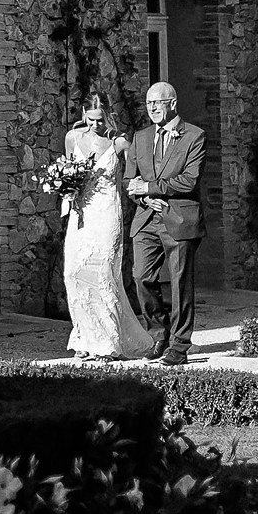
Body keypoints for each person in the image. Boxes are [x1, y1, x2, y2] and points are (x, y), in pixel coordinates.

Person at [60, 90, 148, 360]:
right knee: (73, 272)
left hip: (107, 211)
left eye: (100, 120)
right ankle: (84, 337)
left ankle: (108, 343)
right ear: (83, 114)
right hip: (81, 212)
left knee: (104, 273)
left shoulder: (120, 143)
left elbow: (133, 173)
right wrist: (65, 188)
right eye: (90, 119)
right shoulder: (72, 137)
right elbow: (66, 170)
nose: (95, 125)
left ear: (108, 115)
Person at [126, 81, 207, 366]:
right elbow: (129, 181)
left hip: (179, 218)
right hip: (147, 217)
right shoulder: (141, 137)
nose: (152, 108)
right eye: (148, 103)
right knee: (141, 276)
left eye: (157, 103)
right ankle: (159, 333)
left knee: (180, 283)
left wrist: (149, 188)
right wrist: (146, 200)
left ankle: (180, 345)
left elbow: (189, 179)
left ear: (172, 103)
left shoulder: (194, 136)